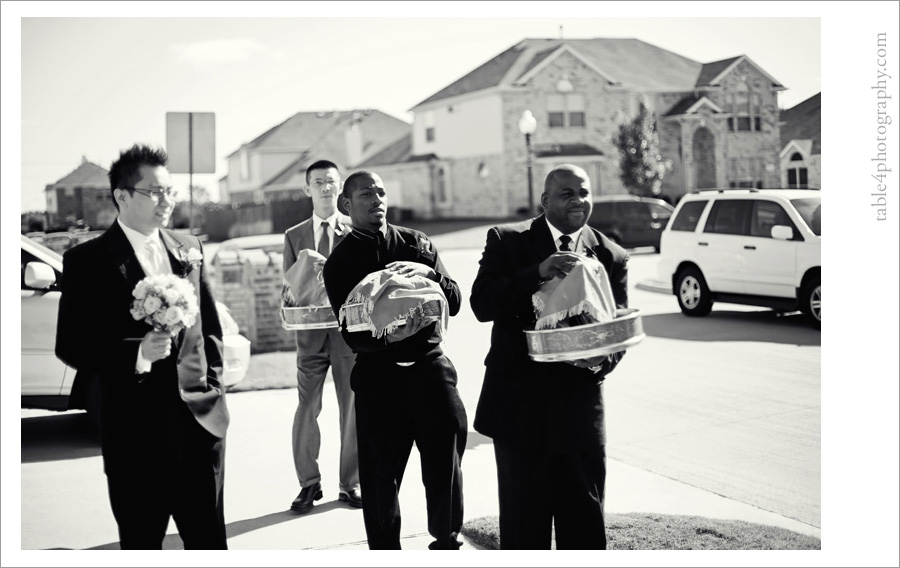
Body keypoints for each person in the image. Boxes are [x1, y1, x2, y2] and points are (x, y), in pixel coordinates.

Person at [55, 144, 230, 549]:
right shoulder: (87, 260)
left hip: (200, 429)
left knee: (210, 543)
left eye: (169, 192)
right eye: (155, 192)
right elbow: (71, 344)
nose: (166, 201)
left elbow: (210, 330)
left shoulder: (190, 248)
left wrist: (215, 390)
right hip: (135, 437)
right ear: (122, 196)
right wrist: (136, 353)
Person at [469, 164, 629, 550]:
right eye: (567, 194)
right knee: (525, 530)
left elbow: (618, 329)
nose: (578, 201)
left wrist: (597, 360)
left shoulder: (611, 253)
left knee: (585, 528)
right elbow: (481, 303)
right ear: (545, 200)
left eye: (584, 192)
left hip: (579, 413)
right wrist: (536, 272)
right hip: (519, 412)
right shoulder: (507, 240)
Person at [322, 170, 467, 550]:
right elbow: (351, 333)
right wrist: (395, 330)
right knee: (379, 478)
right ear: (346, 204)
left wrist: (429, 274)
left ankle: (447, 540)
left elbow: (453, 300)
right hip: (379, 381)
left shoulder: (417, 244)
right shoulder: (339, 264)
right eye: (367, 193)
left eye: (382, 192)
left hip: (432, 374)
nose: (377, 199)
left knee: (445, 467)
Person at [282, 160, 361, 512]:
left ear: (340, 187)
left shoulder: (356, 229)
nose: (325, 188)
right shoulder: (293, 236)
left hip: (347, 337)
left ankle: (350, 484)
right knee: (307, 408)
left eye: (331, 181)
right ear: (307, 189)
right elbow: (290, 288)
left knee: (352, 408)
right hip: (309, 339)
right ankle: (308, 485)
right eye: (318, 182)